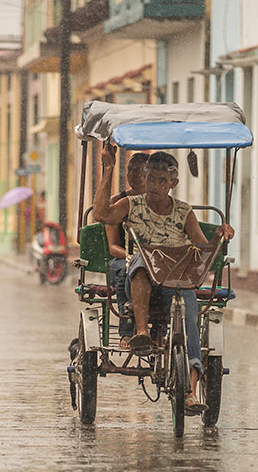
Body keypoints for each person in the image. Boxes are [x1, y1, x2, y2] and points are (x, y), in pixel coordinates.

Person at [93, 145, 235, 413]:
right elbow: (101, 215)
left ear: (173, 183)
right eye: (150, 179)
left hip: (176, 283)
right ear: (144, 178)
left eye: (162, 180)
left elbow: (203, 251)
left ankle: (191, 391)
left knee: (191, 315)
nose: (155, 186)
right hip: (139, 280)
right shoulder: (130, 204)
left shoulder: (184, 212)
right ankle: (142, 331)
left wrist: (218, 236)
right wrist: (109, 168)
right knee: (141, 262)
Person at [105, 152, 149, 346]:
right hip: (123, 258)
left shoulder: (160, 202)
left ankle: (163, 328)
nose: (132, 174)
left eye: (138, 170)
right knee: (126, 271)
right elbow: (113, 247)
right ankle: (126, 330)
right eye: (130, 170)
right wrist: (133, 256)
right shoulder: (118, 203)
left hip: (154, 260)